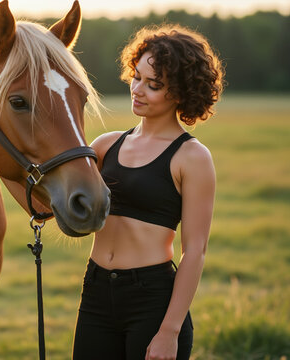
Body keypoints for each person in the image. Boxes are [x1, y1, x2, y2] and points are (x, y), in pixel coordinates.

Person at [72, 24, 224, 360]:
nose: (138, 89)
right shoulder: (105, 145)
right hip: (96, 291)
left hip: (152, 300)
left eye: (153, 85)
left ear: (181, 93)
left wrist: (169, 331)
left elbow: (194, 251)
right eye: (136, 77)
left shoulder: (192, 157)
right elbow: (53, 201)